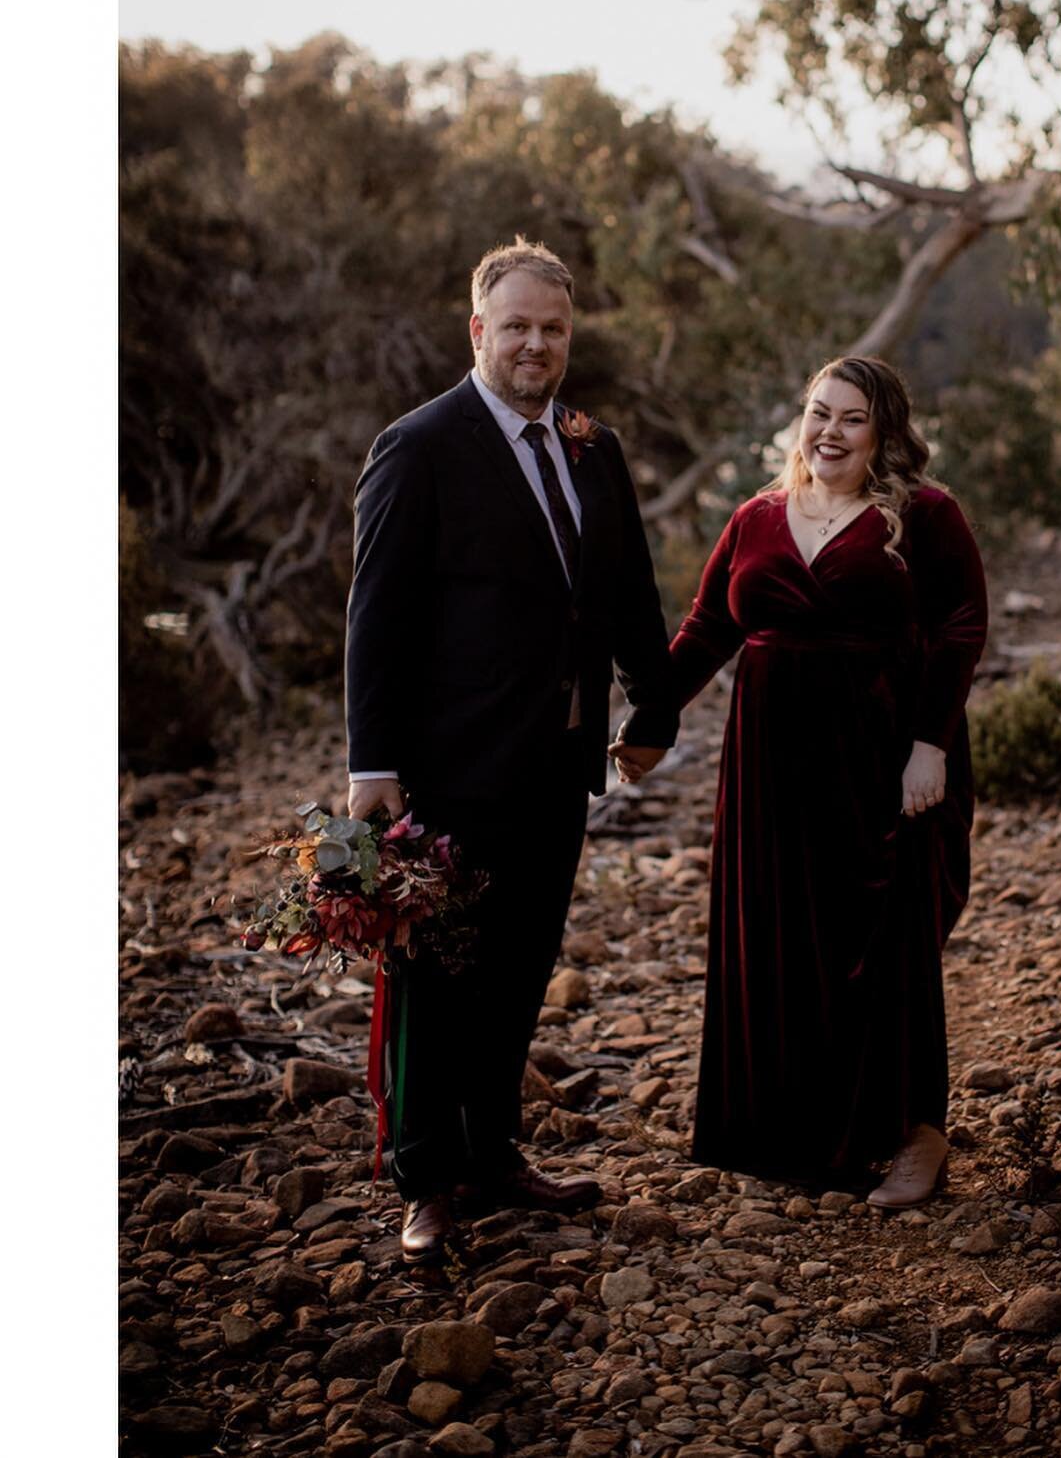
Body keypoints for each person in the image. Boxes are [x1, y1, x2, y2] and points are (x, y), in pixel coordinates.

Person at [345, 239, 676, 1261]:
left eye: (555, 329)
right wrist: (371, 767)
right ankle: (425, 1179)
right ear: (479, 330)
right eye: (518, 325)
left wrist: (652, 708)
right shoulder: (420, 445)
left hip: (558, 764)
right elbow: (377, 618)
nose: (537, 344)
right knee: (436, 977)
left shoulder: (591, 444)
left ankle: (492, 1149)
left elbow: (624, 592)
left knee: (522, 965)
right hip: (448, 772)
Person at [667, 356, 987, 1207]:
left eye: (851, 417)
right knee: (782, 938)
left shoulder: (923, 515)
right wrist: (648, 719)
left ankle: (920, 1135)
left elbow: (960, 627)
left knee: (890, 942)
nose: (830, 432)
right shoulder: (758, 516)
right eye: (819, 413)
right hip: (770, 764)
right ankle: (803, 1133)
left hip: (881, 757)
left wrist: (930, 743)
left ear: (884, 432)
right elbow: (706, 628)